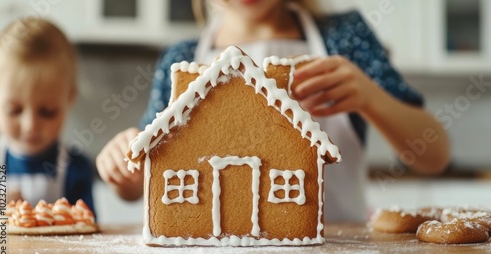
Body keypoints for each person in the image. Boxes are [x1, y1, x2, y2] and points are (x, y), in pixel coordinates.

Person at [96, 0, 450, 221]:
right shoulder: (182, 60)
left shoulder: (344, 37)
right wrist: (123, 169)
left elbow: (434, 155)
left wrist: (371, 97)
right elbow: (143, 179)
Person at [0, 18, 95, 219]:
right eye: (14, 110)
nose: (30, 125)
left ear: (69, 98)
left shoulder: (76, 168)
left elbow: (88, 228)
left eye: (47, 111)